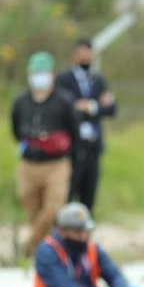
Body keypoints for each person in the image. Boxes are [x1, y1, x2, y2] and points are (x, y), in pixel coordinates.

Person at [11, 51, 81, 255]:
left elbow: (74, 133)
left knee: (53, 210)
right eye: (35, 72)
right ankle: (47, 252)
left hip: (56, 164)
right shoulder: (21, 102)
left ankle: (29, 246)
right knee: (31, 206)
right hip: (29, 163)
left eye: (43, 72)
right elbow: (15, 131)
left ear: (52, 74)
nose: (39, 76)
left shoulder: (64, 101)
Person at [55, 38, 118, 214]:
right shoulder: (64, 79)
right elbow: (65, 108)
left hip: (93, 146)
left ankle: (84, 236)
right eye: (82, 55)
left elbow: (111, 108)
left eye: (89, 55)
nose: (86, 59)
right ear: (74, 56)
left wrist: (89, 106)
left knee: (89, 195)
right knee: (67, 195)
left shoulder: (97, 79)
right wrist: (94, 106)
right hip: (72, 147)